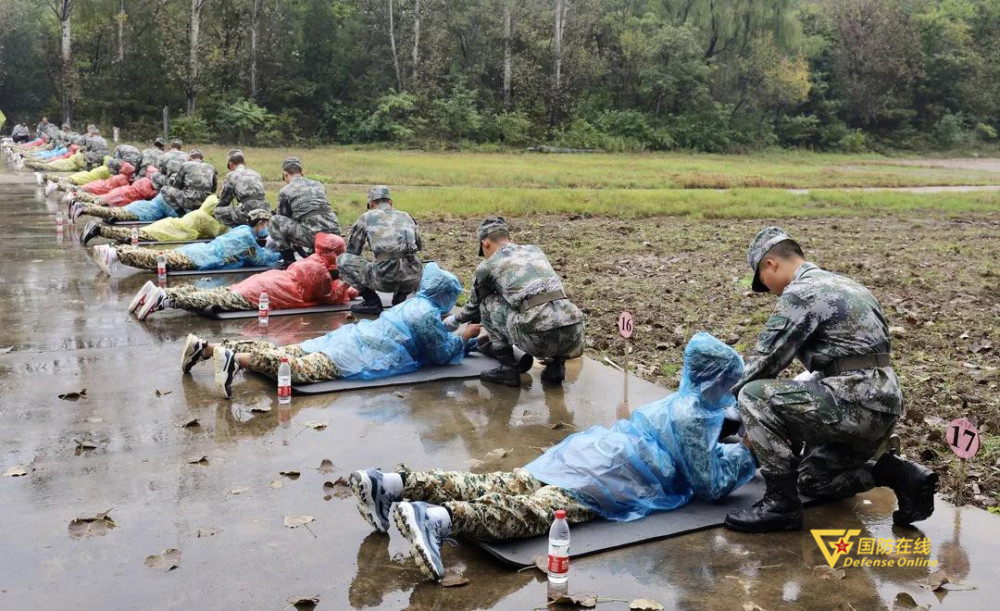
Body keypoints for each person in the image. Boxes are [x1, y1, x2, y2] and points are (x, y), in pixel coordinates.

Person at [349, 333, 755, 581]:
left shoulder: (681, 400)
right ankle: (439, 519)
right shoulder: (698, 413)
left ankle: (391, 483)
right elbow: (710, 484)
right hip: (613, 479)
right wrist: (749, 454)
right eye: (730, 382)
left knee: (501, 482)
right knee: (534, 512)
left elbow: (702, 438)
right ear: (718, 379)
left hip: (585, 453)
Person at [723, 227, 938, 534]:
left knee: (753, 396)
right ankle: (898, 474)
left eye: (762, 280)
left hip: (853, 401)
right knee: (813, 481)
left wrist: (728, 410)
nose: (767, 289)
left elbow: (765, 362)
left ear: (771, 264)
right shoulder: (845, 284)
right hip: (884, 403)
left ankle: (780, 506)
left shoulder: (802, 292)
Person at [181, 263, 479, 398]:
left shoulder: (414, 305)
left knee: (286, 351)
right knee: (295, 369)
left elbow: (430, 331)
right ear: (446, 296)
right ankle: (234, 359)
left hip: (349, 338)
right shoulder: (426, 315)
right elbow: (441, 352)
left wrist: (456, 330)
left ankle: (206, 348)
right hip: (358, 356)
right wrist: (465, 337)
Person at [443, 217, 585, 388]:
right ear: (510, 239)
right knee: (548, 301)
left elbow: (473, 308)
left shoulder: (488, 266)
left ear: (485, 243)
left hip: (538, 338)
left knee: (487, 303)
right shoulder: (535, 250)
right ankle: (556, 367)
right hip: (574, 335)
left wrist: (454, 321)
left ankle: (508, 369)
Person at [130, 232, 358, 321]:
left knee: (220, 293)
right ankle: (167, 299)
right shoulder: (319, 272)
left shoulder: (310, 262)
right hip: (267, 293)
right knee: (219, 300)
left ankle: (166, 292)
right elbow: (330, 297)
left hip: (265, 281)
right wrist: (350, 283)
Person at [90, 208, 276, 277]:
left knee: (159, 257)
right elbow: (260, 260)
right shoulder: (248, 238)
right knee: (157, 259)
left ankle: (115, 252)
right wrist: (276, 253)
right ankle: (114, 253)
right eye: (266, 224)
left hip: (199, 251)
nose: (266, 228)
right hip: (201, 257)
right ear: (260, 223)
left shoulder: (242, 230)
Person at [338, 186, 423, 315]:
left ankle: (372, 302)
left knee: (343, 260)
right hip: (412, 278)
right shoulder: (406, 216)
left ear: (371, 204)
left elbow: (352, 251)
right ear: (390, 202)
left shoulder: (366, 217)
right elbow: (419, 246)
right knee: (407, 259)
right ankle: (400, 298)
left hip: (384, 281)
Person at [268, 156, 341, 266]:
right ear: (302, 173)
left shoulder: (285, 190)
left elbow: (283, 217)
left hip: (314, 234)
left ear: (285, 174)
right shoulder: (319, 185)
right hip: (335, 231)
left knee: (275, 222)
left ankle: (289, 261)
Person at [81, 194, 228, 245]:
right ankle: (99, 230)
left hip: (167, 225)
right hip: (169, 233)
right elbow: (220, 231)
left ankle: (99, 230)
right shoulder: (205, 219)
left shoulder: (198, 213)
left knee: (134, 234)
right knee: (135, 236)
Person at [212, 149, 270, 227]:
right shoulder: (255, 173)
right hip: (265, 208)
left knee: (217, 211)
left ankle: (238, 229)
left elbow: (224, 201)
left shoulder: (231, 175)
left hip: (248, 210)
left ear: (231, 164)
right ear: (244, 163)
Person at [159, 149, 218, 215]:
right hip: (205, 202)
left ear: (189, 158)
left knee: (164, 190)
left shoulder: (185, 165)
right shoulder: (211, 167)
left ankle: (182, 214)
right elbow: (214, 188)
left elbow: (177, 186)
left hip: (189, 201)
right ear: (202, 158)